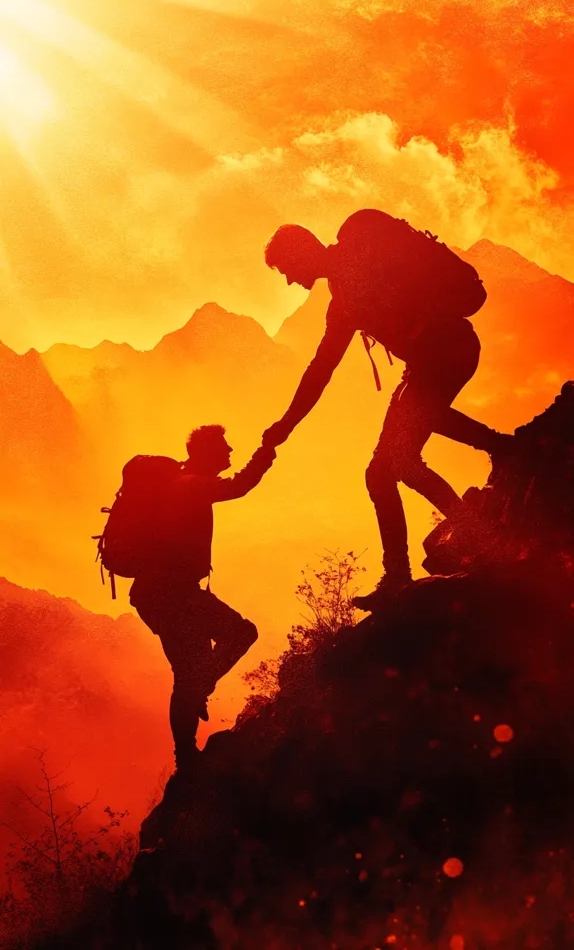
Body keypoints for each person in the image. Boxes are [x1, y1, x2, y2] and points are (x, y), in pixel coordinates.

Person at [262, 208, 511, 612]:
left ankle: (464, 539)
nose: (290, 279)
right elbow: (319, 371)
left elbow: (319, 373)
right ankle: (412, 565)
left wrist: (284, 427)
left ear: (302, 251)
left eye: (287, 268)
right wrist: (284, 426)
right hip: (435, 359)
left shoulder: (353, 271)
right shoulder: (341, 300)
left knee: (395, 460)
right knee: (386, 469)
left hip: (447, 352)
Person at [129, 425, 275, 777]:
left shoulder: (177, 482)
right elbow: (238, 486)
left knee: (185, 676)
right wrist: (266, 451)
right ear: (206, 452)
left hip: (156, 594)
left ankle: (185, 756)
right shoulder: (190, 485)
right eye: (224, 447)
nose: (229, 451)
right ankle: (201, 688)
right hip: (173, 593)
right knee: (240, 633)